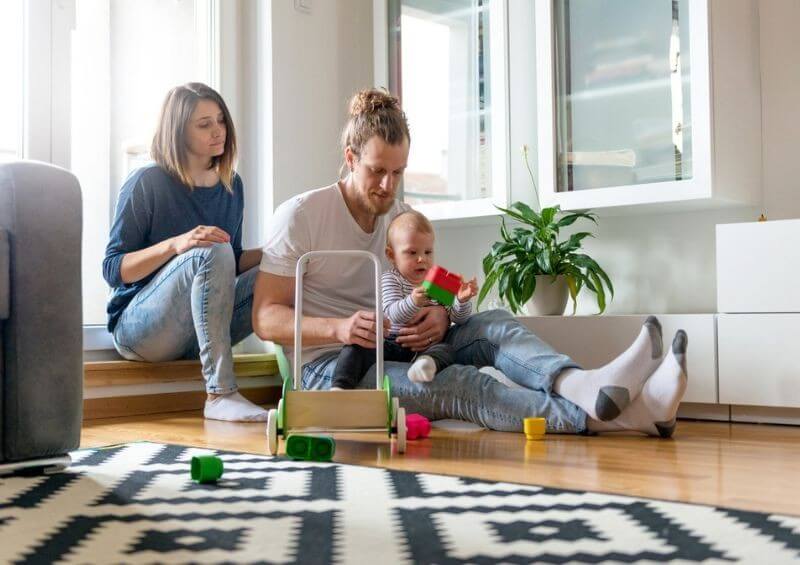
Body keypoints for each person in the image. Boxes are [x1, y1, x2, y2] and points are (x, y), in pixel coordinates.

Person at [252, 88, 688, 437]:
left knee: (495, 321)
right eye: (376, 171)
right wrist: (340, 328)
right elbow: (265, 318)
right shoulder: (302, 215)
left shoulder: (398, 217)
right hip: (333, 369)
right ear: (350, 158)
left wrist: (442, 313)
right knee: (460, 383)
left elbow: (433, 284)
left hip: (400, 342)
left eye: (398, 172)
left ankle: (583, 385)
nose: (387, 186)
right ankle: (625, 415)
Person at [103, 82, 268, 423]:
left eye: (221, 120)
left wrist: (277, 253)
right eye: (204, 124)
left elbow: (230, 263)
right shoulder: (146, 182)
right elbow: (113, 269)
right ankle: (221, 394)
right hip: (140, 332)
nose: (217, 131)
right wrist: (177, 244)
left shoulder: (231, 185)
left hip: (194, 331)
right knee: (211, 249)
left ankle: (316, 388)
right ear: (178, 131)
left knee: (281, 267)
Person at [331, 210, 478, 389]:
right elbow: (392, 315)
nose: (422, 258)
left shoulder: (438, 281)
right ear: (392, 255)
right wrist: (413, 302)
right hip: (391, 343)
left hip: (425, 348)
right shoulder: (391, 279)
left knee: (447, 350)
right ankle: (340, 386)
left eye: (428, 252)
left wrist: (461, 301)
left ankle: (425, 364)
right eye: (412, 252)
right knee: (356, 346)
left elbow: (459, 318)